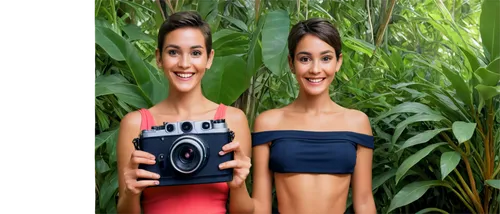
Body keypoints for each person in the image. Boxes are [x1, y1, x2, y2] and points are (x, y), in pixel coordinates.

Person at [116, 11, 254, 214]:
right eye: (173, 52)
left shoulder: (231, 120)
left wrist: (239, 184)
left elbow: (244, 212)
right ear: (159, 58)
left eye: (196, 53)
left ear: (209, 58)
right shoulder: (135, 124)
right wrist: (130, 192)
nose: (184, 63)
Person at [250, 18, 376, 214]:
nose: (315, 69)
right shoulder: (268, 123)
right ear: (291, 63)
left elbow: (364, 201)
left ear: (338, 62)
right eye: (305, 59)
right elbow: (260, 206)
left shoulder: (357, 122)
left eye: (326, 58)